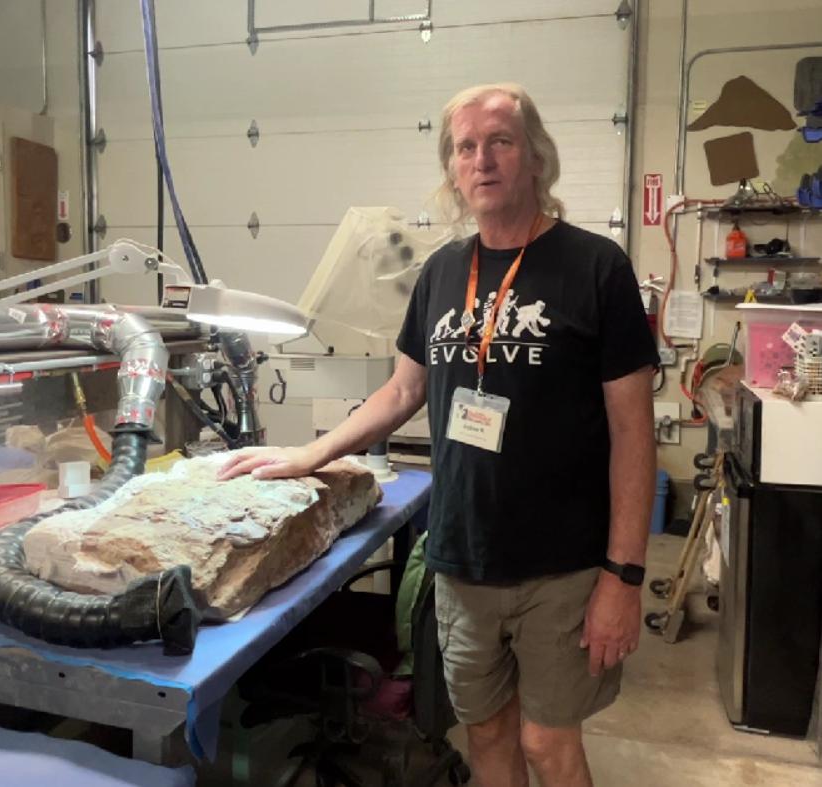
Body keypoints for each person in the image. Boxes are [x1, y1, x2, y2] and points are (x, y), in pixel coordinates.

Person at [218, 82, 658, 787]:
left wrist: (624, 577)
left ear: (535, 157)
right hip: (461, 557)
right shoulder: (441, 273)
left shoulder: (594, 267)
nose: (481, 159)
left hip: (563, 566)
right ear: (452, 170)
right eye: (465, 147)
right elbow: (401, 389)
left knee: (547, 741)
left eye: (499, 141)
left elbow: (634, 432)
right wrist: (309, 452)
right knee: (485, 732)